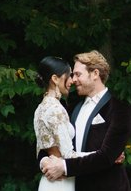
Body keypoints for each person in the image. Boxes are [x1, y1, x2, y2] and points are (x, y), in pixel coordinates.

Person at [40, 50, 131, 191]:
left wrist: (64, 167)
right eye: (72, 75)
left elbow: (106, 157)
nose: (73, 79)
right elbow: (48, 142)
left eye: (78, 74)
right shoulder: (70, 108)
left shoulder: (119, 109)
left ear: (95, 74)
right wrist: (44, 161)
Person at [33, 56, 78, 190]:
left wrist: (43, 161)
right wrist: (103, 155)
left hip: (50, 181)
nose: (71, 81)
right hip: (61, 182)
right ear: (55, 79)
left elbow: (41, 150)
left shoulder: (40, 108)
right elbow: (69, 155)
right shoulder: (56, 109)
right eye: (68, 76)